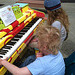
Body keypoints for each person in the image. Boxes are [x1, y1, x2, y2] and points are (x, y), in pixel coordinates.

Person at [0, 25, 65, 75]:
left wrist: (3, 62)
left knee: (29, 60)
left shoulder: (42, 63)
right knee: (31, 58)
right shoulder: (58, 53)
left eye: (38, 41)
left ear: (44, 47)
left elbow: (18, 73)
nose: (36, 40)